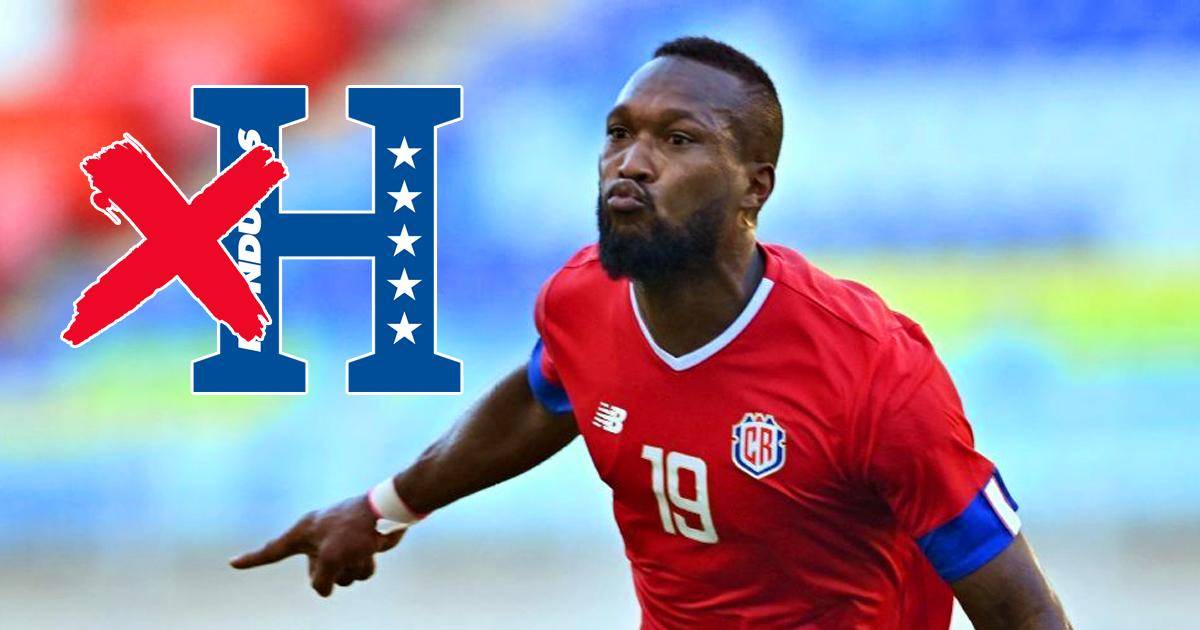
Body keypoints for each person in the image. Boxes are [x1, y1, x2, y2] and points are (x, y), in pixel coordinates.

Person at [230, 36, 1073, 629]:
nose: (631, 162)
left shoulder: (873, 372)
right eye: (619, 133)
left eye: (677, 139)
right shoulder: (582, 301)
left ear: (754, 187)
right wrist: (384, 507)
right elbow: (539, 399)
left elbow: (1021, 611)